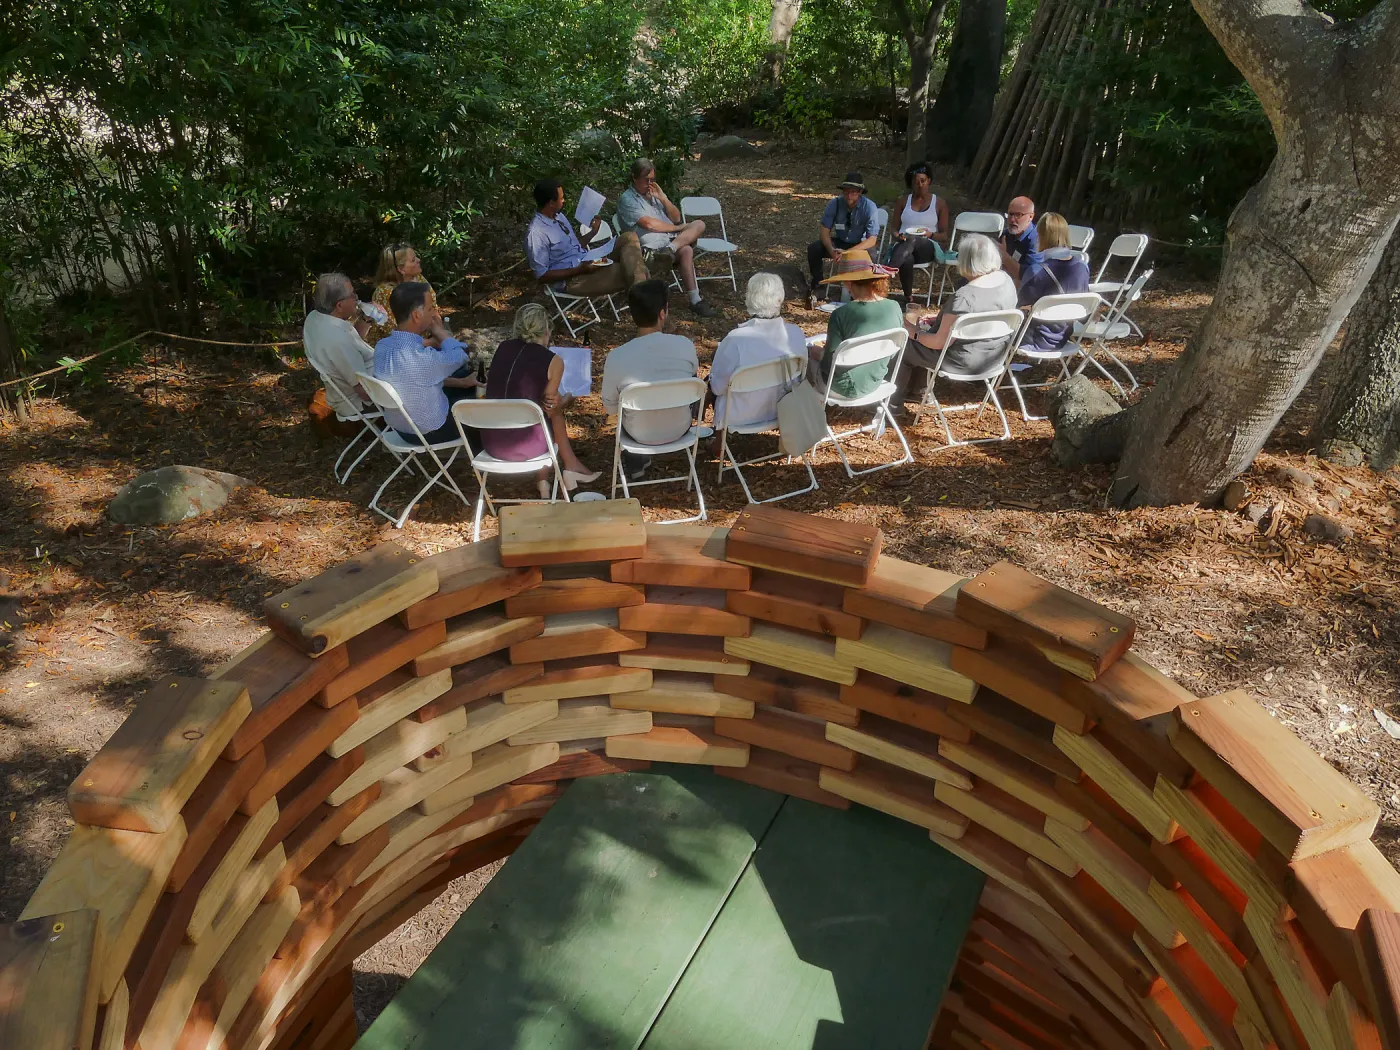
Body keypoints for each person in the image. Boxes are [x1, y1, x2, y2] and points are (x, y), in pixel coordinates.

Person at [483, 303, 600, 495]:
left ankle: (552, 478)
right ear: (546, 329)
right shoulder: (553, 360)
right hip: (527, 447)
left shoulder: (503, 348)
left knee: (540, 414)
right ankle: (567, 469)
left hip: (492, 443)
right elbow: (551, 407)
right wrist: (568, 399)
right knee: (553, 414)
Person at [897, 233, 1018, 399]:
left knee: (904, 344)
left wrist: (913, 332)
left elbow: (939, 342)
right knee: (925, 329)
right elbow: (979, 317)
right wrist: (941, 320)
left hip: (962, 361)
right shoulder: (1006, 281)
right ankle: (919, 390)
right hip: (993, 357)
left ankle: (893, 404)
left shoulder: (965, 297)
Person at [601, 279, 700, 480]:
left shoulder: (617, 356)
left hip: (638, 433)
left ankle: (636, 458)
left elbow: (611, 408)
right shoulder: (684, 345)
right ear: (662, 314)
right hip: (680, 428)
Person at [372, 282, 478, 443]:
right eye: (430, 309)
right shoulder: (422, 358)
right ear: (416, 315)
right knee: (480, 399)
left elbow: (414, 380)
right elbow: (461, 355)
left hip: (401, 427)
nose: (435, 313)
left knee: (465, 380)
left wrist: (462, 382)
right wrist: (440, 332)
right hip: (430, 431)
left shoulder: (382, 347)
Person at [709, 272, 806, 448]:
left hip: (739, 414)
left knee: (714, 383)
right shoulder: (795, 333)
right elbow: (801, 377)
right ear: (780, 299)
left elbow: (717, 387)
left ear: (749, 299)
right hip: (783, 409)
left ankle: (718, 444)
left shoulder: (735, 340)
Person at [614, 159, 717, 317]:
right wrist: (679, 228)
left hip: (668, 246)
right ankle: (671, 252)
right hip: (648, 253)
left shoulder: (654, 194)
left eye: (652, 179)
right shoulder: (627, 199)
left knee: (699, 225)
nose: (649, 183)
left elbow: (676, 217)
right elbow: (649, 224)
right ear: (634, 178)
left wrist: (663, 198)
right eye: (646, 179)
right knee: (687, 248)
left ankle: (695, 300)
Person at [525, 178, 649, 298]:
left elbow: (575, 248)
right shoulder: (536, 233)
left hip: (587, 260)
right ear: (551, 203)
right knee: (632, 271)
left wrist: (592, 233)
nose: (564, 201)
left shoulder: (559, 216)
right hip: (572, 279)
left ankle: (641, 293)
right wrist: (579, 270)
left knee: (629, 237)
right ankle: (644, 299)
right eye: (561, 198)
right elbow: (541, 275)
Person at [814, 249, 905, 400]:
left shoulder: (841, 314)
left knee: (805, 363)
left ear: (848, 283)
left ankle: (806, 416)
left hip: (841, 387)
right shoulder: (895, 306)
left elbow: (828, 363)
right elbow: (893, 352)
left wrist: (818, 353)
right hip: (876, 381)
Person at [303, 273, 375, 420]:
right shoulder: (338, 340)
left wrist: (366, 319)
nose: (356, 298)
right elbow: (363, 391)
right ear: (339, 305)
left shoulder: (316, 317)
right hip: (359, 403)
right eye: (352, 295)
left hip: (348, 391)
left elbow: (354, 344)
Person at [1017, 212, 1092, 352]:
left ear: (1040, 237)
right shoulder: (1083, 268)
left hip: (1033, 340)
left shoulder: (1036, 271)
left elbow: (1019, 310)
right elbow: (1084, 314)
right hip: (1063, 339)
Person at [807, 172, 881, 307]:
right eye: (846, 191)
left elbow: (872, 239)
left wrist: (848, 253)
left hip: (859, 244)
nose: (849, 195)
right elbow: (824, 231)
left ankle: (866, 290)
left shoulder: (869, 207)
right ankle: (818, 285)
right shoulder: (834, 204)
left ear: (860, 192)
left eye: (853, 192)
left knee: (872, 254)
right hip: (840, 242)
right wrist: (831, 250)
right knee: (814, 248)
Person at [888, 160, 951, 303]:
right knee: (907, 257)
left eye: (923, 181)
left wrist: (930, 235)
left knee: (914, 239)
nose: (920, 185)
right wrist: (898, 236)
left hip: (927, 246)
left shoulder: (939, 203)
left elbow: (944, 235)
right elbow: (893, 229)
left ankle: (886, 273)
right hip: (904, 245)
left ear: (929, 181)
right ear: (911, 183)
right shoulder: (903, 201)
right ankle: (908, 298)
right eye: (916, 182)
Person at [368, 243, 438, 344]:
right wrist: (434, 343)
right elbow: (395, 335)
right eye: (413, 260)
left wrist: (441, 333)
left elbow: (434, 309)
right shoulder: (384, 293)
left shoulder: (418, 278)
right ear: (401, 269)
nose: (419, 260)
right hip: (395, 349)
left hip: (426, 341)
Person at [999, 196, 1040, 282]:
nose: (1012, 220)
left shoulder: (1036, 241)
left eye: (1018, 215)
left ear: (1031, 217)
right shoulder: (1006, 234)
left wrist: (1004, 256)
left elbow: (1029, 277)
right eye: (1010, 214)